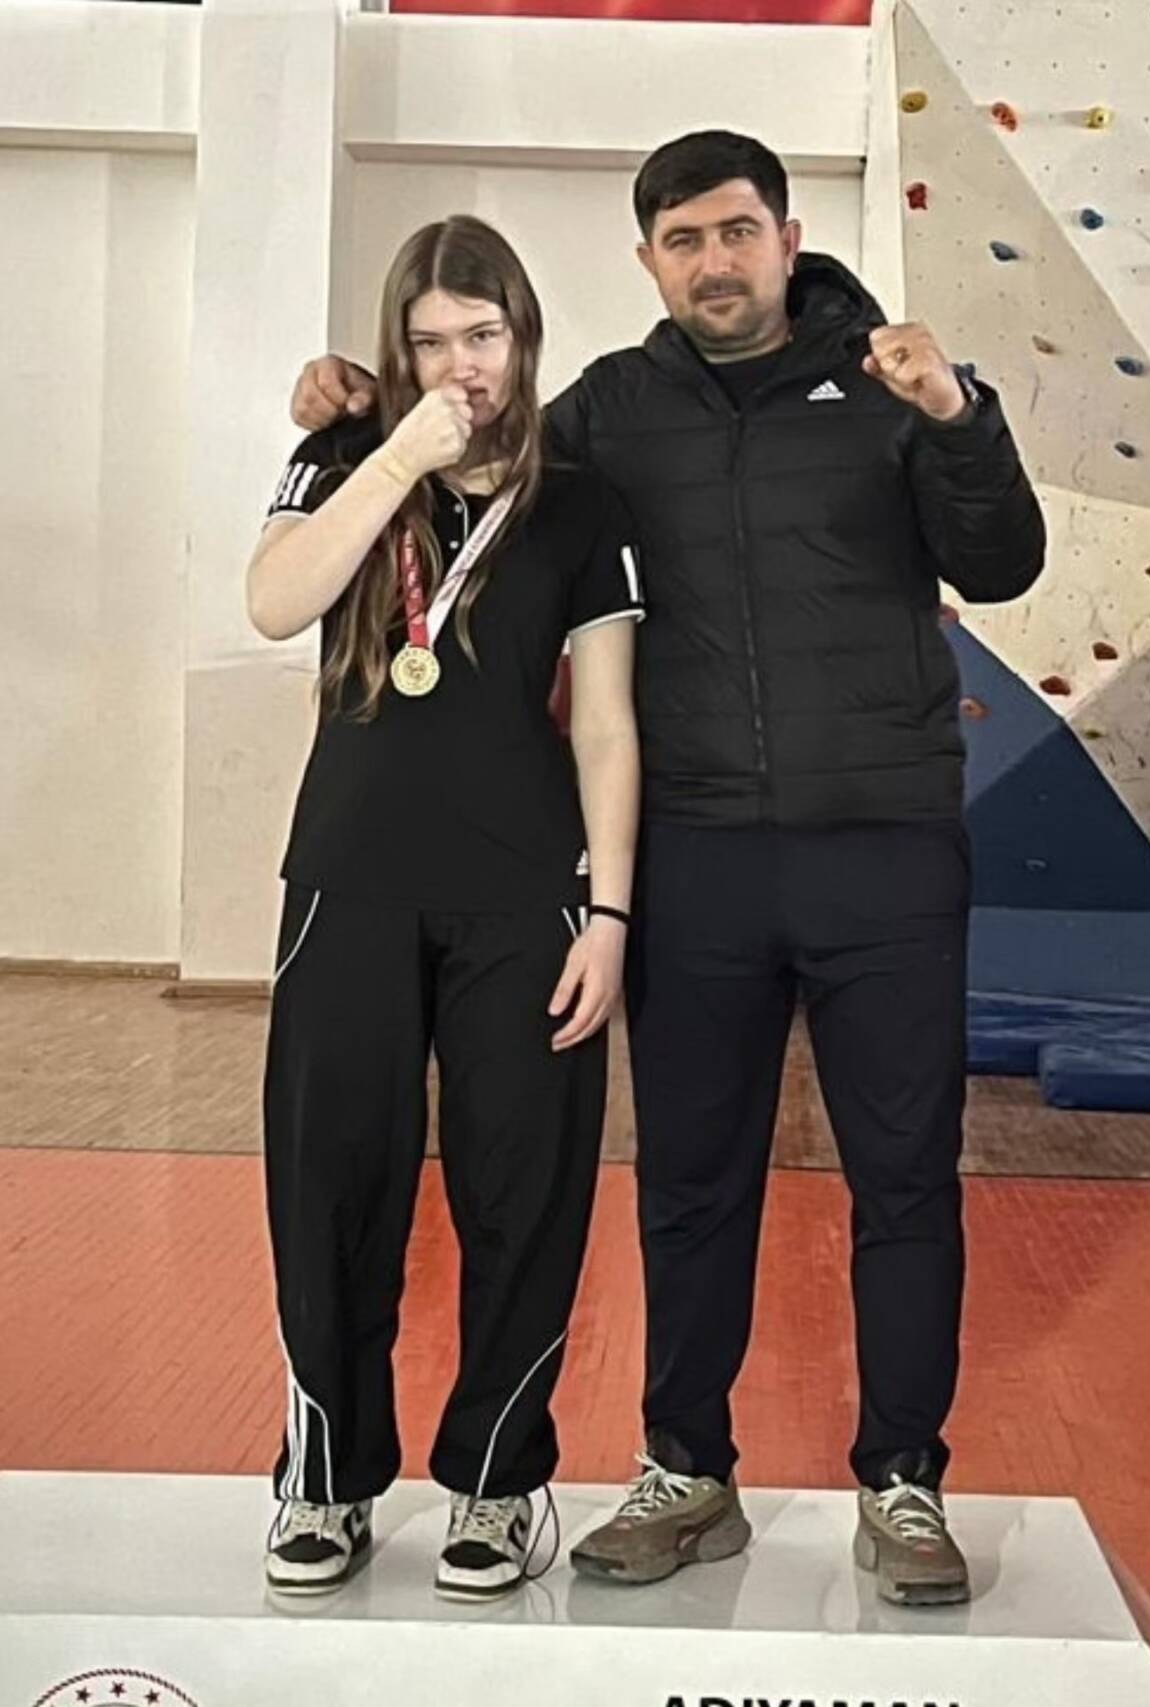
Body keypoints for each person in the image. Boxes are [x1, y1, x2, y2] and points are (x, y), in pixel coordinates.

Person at [289, 130, 1046, 1607]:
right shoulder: (611, 411)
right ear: (648, 260)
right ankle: (690, 1469)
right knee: (692, 1183)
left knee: (906, 1179)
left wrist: (960, 416)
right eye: (683, 240)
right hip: (697, 857)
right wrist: (358, 400)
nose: (714, 261)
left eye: (737, 232)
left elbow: (1005, 562)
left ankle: (903, 1479)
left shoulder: (887, 389)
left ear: (787, 239)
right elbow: (486, 438)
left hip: (886, 849)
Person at [247, 214, 643, 1602]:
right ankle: (324, 1477)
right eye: (429, 341)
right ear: (394, 348)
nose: (459, 364)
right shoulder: (338, 458)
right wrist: (396, 456)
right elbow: (275, 603)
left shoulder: (581, 503)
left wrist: (610, 915)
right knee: (330, 1184)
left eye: (482, 335)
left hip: (524, 896)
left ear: (523, 338)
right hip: (347, 881)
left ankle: (498, 1482)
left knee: (521, 1193)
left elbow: (608, 726)